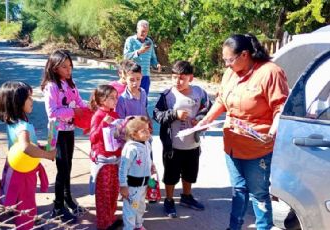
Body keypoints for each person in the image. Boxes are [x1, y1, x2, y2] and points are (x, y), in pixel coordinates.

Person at [197, 34, 289, 230]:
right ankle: (234, 227)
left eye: (229, 60)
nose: (226, 65)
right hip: (232, 144)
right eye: (224, 60)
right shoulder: (230, 73)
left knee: (259, 193)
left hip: (258, 147)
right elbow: (222, 100)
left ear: (245, 55)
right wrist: (205, 120)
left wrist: (272, 133)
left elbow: (280, 108)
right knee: (238, 190)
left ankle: (263, 227)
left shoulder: (270, 72)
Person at [153, 61, 211, 218]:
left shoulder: (200, 93)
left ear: (190, 78)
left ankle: (186, 196)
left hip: (192, 144)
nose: (177, 81)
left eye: (181, 78)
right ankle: (169, 200)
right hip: (172, 146)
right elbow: (157, 115)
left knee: (190, 173)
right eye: (174, 77)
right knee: (171, 174)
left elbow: (208, 109)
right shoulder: (167, 96)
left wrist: (199, 118)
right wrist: (174, 115)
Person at [0, 81, 56, 229]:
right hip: (24, 171)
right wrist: (47, 155)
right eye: (29, 97)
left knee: (19, 199)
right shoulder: (23, 126)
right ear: (18, 102)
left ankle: (23, 222)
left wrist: (40, 146)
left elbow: (23, 144)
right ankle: (25, 226)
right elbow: (25, 147)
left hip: (16, 167)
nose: (32, 100)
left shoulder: (14, 122)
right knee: (27, 202)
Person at [41, 49, 87, 223]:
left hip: (69, 131)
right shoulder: (51, 86)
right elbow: (52, 113)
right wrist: (74, 111)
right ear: (54, 68)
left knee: (68, 166)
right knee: (62, 170)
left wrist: (89, 108)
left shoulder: (70, 84)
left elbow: (80, 102)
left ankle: (68, 199)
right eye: (64, 67)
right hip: (56, 132)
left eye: (70, 67)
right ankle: (58, 206)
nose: (69, 71)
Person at [89, 85, 123, 230]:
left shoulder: (114, 114)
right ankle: (103, 224)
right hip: (103, 162)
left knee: (114, 191)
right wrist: (103, 123)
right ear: (102, 100)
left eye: (116, 97)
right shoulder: (98, 116)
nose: (116, 100)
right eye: (112, 97)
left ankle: (111, 218)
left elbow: (118, 135)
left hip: (115, 159)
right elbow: (93, 138)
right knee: (104, 194)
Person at [119, 116, 154, 230]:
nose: (148, 132)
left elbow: (148, 159)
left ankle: (138, 225)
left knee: (140, 207)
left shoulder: (146, 144)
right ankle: (129, 227)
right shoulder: (130, 148)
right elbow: (123, 168)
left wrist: (152, 167)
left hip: (143, 185)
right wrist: (123, 185)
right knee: (131, 209)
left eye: (148, 129)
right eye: (144, 131)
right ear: (134, 134)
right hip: (132, 188)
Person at [123, 19, 161, 95]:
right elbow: (126, 57)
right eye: (142, 31)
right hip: (132, 76)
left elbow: (153, 58)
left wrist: (156, 64)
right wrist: (139, 52)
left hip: (145, 76)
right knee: (131, 99)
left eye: (146, 31)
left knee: (143, 101)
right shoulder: (130, 40)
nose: (144, 33)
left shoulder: (149, 42)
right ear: (137, 29)